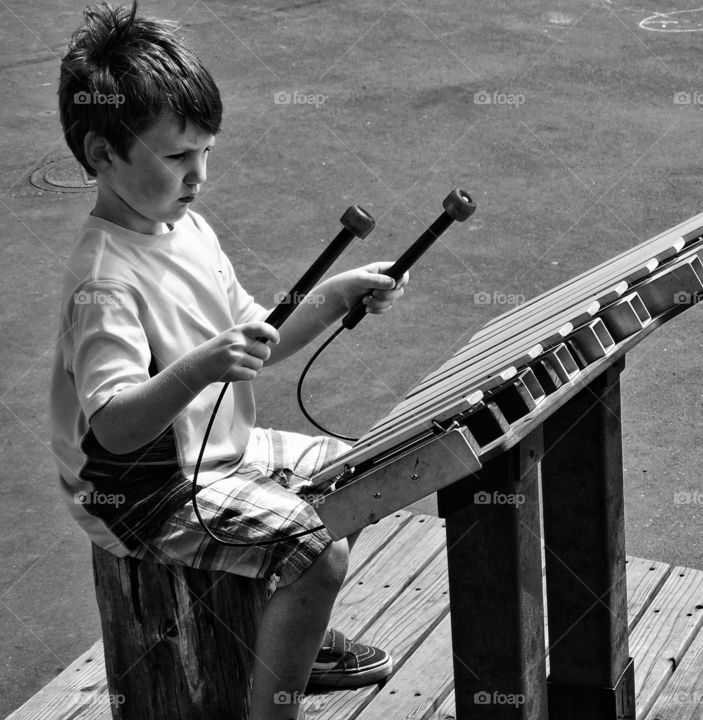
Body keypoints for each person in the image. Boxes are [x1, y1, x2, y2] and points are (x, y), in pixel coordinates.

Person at [51, 3, 403, 718]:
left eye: (206, 150)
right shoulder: (105, 280)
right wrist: (198, 369)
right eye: (179, 157)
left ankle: (291, 646)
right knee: (315, 550)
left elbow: (255, 333)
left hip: (214, 452)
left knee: (362, 473)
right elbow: (114, 429)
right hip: (142, 492)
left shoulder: (185, 227)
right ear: (102, 154)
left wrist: (334, 297)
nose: (200, 174)